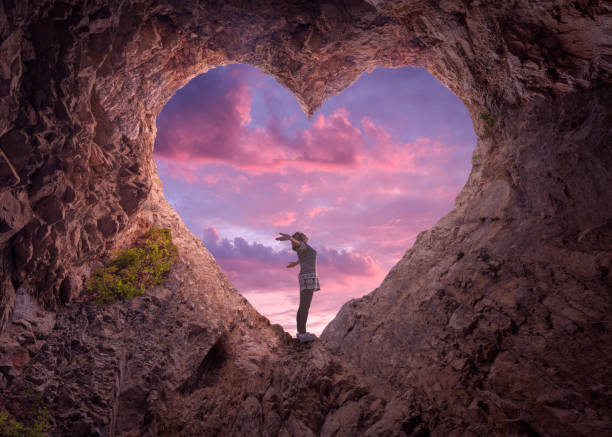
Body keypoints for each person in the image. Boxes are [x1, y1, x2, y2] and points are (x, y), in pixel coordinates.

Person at [276, 231, 320, 342]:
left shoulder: (305, 248)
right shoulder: (303, 245)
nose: (306, 234)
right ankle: (303, 334)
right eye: (303, 234)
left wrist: (295, 263)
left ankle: (301, 333)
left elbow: (304, 256)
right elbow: (299, 245)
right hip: (308, 278)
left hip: (306, 278)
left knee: (303, 306)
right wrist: (290, 238)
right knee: (305, 306)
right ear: (301, 238)